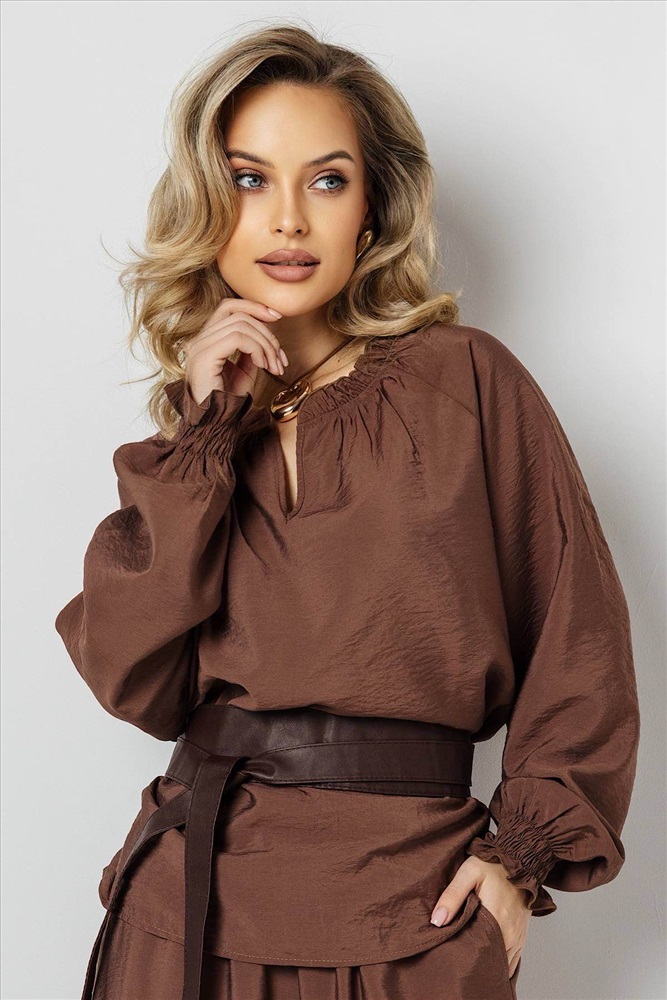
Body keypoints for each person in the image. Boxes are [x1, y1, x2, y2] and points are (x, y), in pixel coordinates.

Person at [54, 23, 641, 1000]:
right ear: (207, 205)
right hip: (189, 912)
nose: (288, 219)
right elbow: (132, 677)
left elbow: (579, 644)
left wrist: (517, 857)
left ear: (371, 209)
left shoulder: (468, 383)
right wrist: (204, 435)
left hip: (411, 916)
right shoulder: (193, 435)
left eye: (326, 180)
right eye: (249, 179)